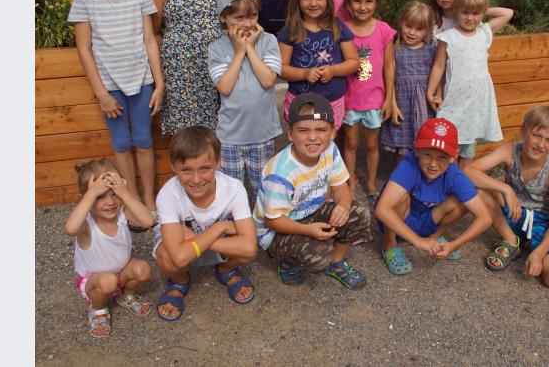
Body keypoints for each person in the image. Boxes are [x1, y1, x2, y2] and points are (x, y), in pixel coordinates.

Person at [68, 0, 164, 219]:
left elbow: (149, 39)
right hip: (110, 87)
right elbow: (84, 48)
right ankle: (131, 199)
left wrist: (159, 83)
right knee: (122, 144)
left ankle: (148, 198)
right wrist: (101, 94)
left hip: (142, 82)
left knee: (144, 141)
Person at [254, 93, 370, 290]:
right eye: (303, 130)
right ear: (290, 134)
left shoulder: (330, 149)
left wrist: (342, 205)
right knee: (318, 253)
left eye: (321, 129)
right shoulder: (280, 173)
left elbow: (341, 186)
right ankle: (288, 262)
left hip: (311, 211)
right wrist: (308, 231)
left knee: (359, 215)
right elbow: (273, 220)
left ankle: (336, 262)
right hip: (277, 228)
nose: (313, 137)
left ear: (333, 132)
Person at [153, 126, 258, 321]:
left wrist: (194, 237)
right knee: (166, 256)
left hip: (191, 242)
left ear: (218, 162)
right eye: (185, 170)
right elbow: (178, 257)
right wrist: (221, 227)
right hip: (190, 250)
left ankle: (225, 269)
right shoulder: (168, 195)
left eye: (204, 168)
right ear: (173, 167)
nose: (196, 179)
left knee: (246, 249)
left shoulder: (234, 188)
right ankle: (179, 280)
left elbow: (249, 248)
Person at [464, 106, 549, 289]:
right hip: (512, 212)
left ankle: (531, 247)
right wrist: (505, 188)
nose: (541, 144)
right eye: (537, 135)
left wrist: (539, 254)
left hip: (540, 223)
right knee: (476, 188)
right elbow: (467, 171)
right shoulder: (510, 150)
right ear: (523, 131)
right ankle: (511, 240)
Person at [374, 118, 493, 275]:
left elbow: (485, 218)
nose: (433, 164)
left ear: (454, 156)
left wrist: (455, 244)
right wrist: (418, 242)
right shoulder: (409, 164)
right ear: (416, 149)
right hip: (399, 219)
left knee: (462, 201)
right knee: (400, 197)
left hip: (427, 220)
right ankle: (389, 245)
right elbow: (382, 210)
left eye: (442, 157)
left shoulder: (454, 174)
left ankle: (435, 238)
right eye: (427, 154)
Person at [64, 159, 156, 338]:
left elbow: (148, 221)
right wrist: (90, 195)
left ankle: (126, 295)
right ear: (86, 198)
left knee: (143, 269)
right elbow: (70, 229)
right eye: (100, 196)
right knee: (107, 281)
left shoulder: (122, 213)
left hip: (121, 273)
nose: (110, 202)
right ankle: (98, 309)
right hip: (95, 281)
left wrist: (126, 194)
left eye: (114, 193)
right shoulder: (86, 225)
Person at [207, 0, 281, 200]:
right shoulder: (217, 47)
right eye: (239, 18)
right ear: (223, 17)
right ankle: (236, 229)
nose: (248, 24)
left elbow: (268, 80)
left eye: (253, 16)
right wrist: (240, 52)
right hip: (230, 136)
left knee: (263, 188)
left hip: (262, 134)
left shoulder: (268, 41)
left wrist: (249, 48)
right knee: (232, 192)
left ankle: (263, 228)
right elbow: (225, 87)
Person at [426, 0, 514, 169]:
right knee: (448, 145)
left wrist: (480, 6)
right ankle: (446, 182)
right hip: (455, 101)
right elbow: (439, 66)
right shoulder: (448, 36)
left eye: (476, 13)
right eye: (465, 12)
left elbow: (508, 13)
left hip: (476, 102)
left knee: (468, 149)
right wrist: (431, 91)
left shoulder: (484, 32)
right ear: (457, 9)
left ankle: (463, 181)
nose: (470, 18)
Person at [152, 0, 223, 134]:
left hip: (214, 72)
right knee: (185, 137)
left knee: (216, 131)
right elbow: (152, 33)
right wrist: (172, 50)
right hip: (180, 77)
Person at [277, 0, 359, 132]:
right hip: (301, 102)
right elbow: (281, 68)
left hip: (332, 101)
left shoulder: (337, 26)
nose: (313, 3)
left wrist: (334, 70)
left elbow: (354, 62)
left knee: (328, 144)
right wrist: (304, 74)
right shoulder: (291, 30)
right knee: (303, 145)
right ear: (297, 0)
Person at [340, 0, 396, 203]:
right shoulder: (342, 29)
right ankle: (350, 178)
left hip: (375, 99)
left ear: (377, 2)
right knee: (351, 143)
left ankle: (372, 181)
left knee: (372, 144)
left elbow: (390, 66)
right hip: (350, 98)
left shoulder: (384, 30)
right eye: (357, 1)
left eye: (368, 1)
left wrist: (389, 98)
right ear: (349, 3)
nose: (363, 7)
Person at [380, 1, 437, 160]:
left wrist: (437, 95)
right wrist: (392, 105)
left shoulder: (431, 50)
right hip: (403, 105)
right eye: (408, 26)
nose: (412, 32)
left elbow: (438, 75)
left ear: (427, 30)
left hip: (424, 107)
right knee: (404, 148)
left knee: (426, 145)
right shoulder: (394, 49)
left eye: (418, 29)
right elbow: (389, 80)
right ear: (401, 24)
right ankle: (402, 180)